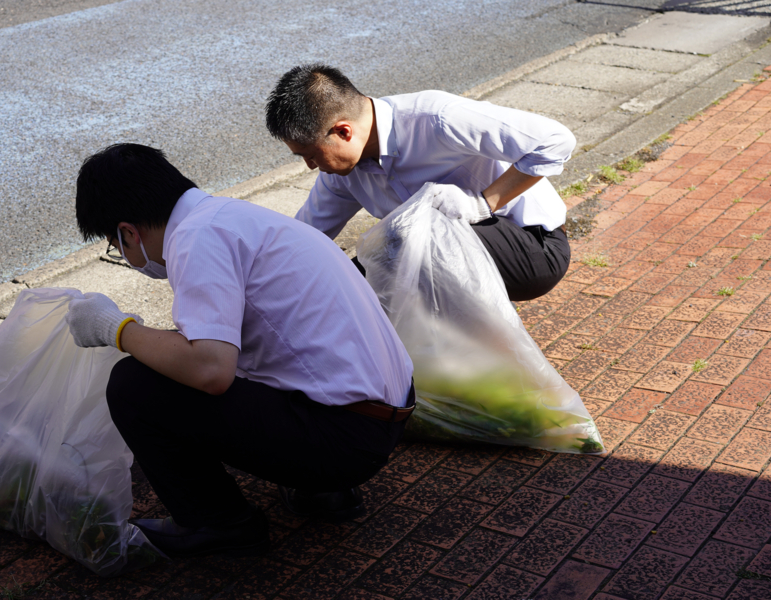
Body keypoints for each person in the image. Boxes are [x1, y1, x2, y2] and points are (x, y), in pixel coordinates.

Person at [65, 143, 414, 558]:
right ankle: (324, 492)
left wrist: (115, 328)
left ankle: (218, 524)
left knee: (133, 385)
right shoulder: (230, 217)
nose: (123, 254)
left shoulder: (196, 239)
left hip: (346, 438)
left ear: (127, 232)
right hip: (387, 411)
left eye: (115, 245)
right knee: (214, 347)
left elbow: (210, 370)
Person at [265, 64, 576, 302]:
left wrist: (482, 203)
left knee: (402, 241)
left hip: (533, 248)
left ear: (343, 131)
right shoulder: (341, 176)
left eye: (310, 155)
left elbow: (555, 140)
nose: (310, 166)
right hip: (442, 253)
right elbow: (303, 240)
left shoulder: (436, 118)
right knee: (350, 287)